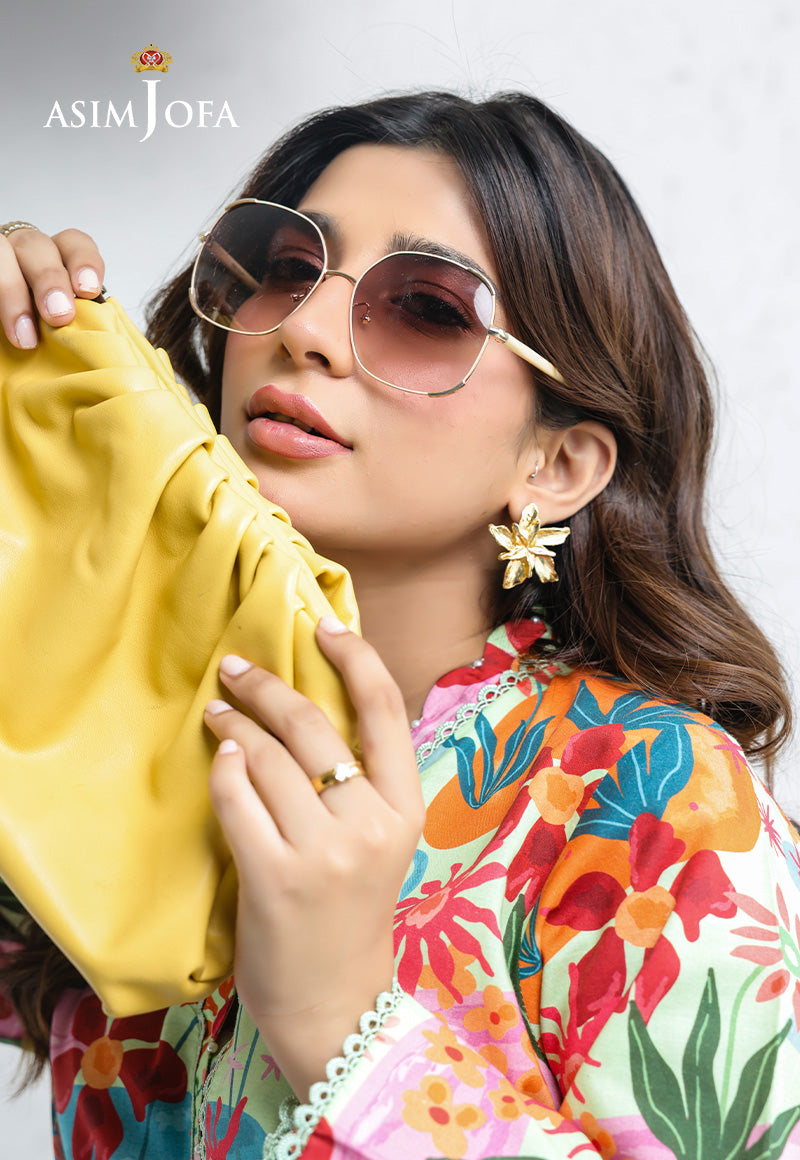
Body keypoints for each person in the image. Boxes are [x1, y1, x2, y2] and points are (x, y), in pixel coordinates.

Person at [1, 91, 799, 1160]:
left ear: (556, 464)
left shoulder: (649, 799)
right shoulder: (115, 711)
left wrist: (339, 1024)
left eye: (425, 308)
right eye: (286, 268)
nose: (303, 330)